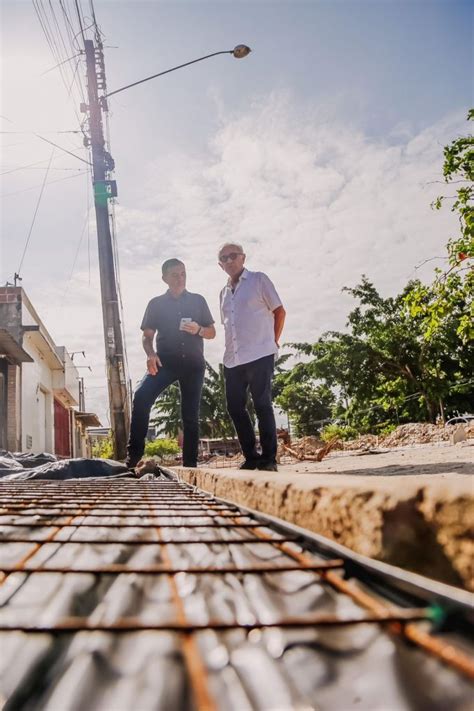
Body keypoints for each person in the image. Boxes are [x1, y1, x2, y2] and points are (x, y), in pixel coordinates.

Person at [126, 258, 215, 469]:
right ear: (164, 278)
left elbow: (212, 332)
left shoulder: (198, 300)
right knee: (141, 396)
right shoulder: (155, 304)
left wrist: (199, 330)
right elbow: (147, 336)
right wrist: (150, 354)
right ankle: (133, 458)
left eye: (183, 273)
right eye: (175, 274)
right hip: (165, 362)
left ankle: (190, 465)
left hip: (193, 365)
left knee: (190, 415)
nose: (180, 278)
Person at [218, 243, 286, 471]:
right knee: (235, 406)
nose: (229, 261)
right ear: (220, 265)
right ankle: (251, 457)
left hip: (260, 353)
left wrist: (273, 341)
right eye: (224, 258)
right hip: (233, 359)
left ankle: (269, 459)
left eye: (233, 256)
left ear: (243, 258)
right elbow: (229, 326)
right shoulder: (223, 293)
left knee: (262, 404)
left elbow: (279, 311)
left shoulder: (259, 280)